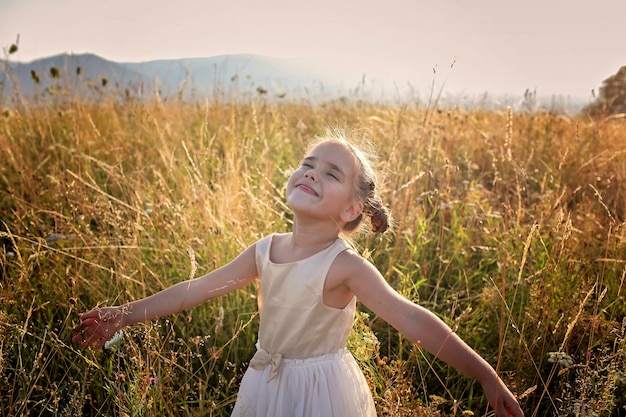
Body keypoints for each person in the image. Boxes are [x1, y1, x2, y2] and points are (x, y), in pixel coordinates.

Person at [73, 127, 524, 417]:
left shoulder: (344, 266)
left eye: (331, 173)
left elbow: (411, 318)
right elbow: (195, 289)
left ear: (351, 208)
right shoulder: (264, 251)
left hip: (322, 396)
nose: (312, 173)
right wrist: (128, 312)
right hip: (264, 387)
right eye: (308, 164)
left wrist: (485, 374)